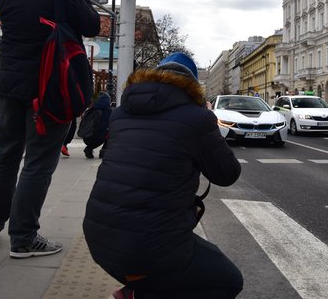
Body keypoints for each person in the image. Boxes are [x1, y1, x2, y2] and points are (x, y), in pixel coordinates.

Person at [83, 52, 243, 298]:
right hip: (147, 249)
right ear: (192, 86)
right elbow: (227, 174)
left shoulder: (120, 115)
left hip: (100, 242)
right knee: (229, 281)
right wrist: (209, 121)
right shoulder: (197, 118)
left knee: (160, 264)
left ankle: (134, 291)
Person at [0, 0, 100, 258]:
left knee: (4, 157)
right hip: (49, 88)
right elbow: (91, 25)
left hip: (8, 86)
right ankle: (23, 238)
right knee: (37, 162)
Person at [78, 90, 112, 158]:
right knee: (110, 132)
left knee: (99, 134)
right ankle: (104, 151)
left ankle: (89, 148)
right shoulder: (109, 110)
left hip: (86, 137)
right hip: (99, 137)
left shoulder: (90, 109)